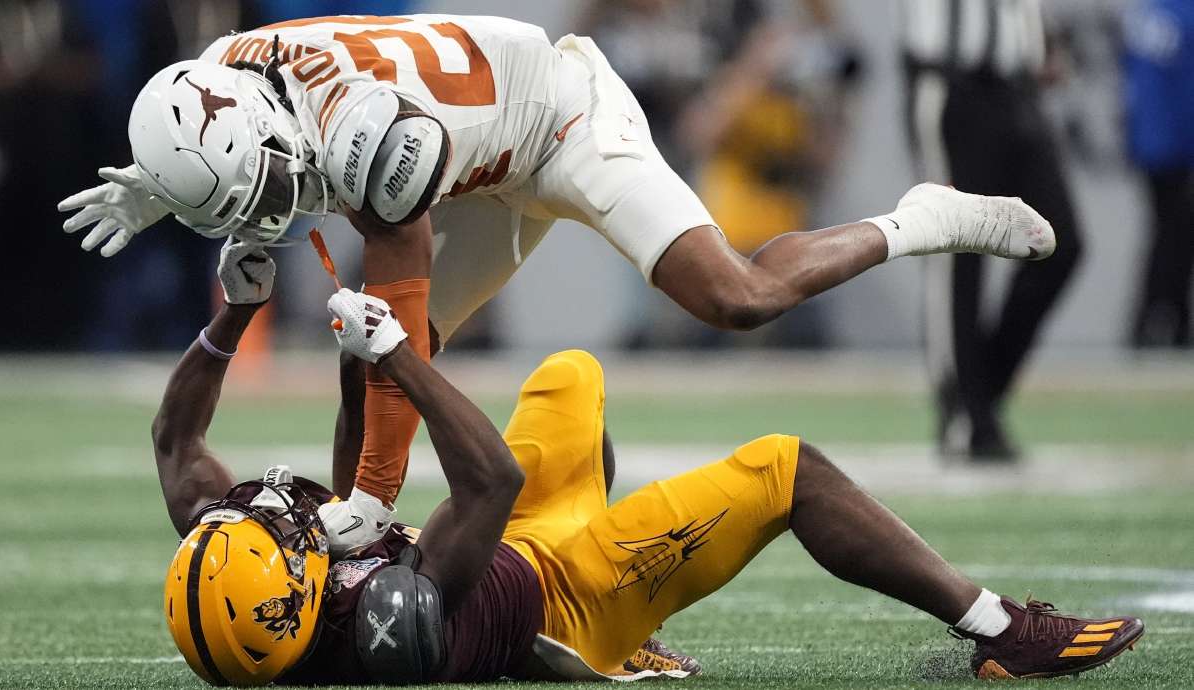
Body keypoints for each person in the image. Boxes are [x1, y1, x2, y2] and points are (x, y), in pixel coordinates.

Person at [59, 12, 1058, 553]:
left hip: (557, 121)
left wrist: (372, 489)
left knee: (735, 298)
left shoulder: (359, 126)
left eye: (271, 180)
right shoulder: (225, 72)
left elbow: (399, 300)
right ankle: (354, 548)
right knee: (364, 360)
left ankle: (917, 218)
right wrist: (159, 184)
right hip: (471, 154)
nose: (273, 206)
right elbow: (211, 140)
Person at [154, 241, 1142, 686]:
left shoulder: (257, 589)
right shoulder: (385, 625)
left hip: (515, 544)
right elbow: (486, 481)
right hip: (572, 596)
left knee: (571, 375)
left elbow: (177, 451)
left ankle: (635, 575)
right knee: (782, 469)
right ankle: (1001, 627)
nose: (278, 515)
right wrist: (396, 353)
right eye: (280, 540)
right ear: (297, 601)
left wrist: (233, 312)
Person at [899, 0, 1084, 460]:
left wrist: (1038, 35)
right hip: (951, 82)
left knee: (1060, 244)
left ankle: (980, 394)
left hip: (1017, 89)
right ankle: (963, 408)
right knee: (955, 249)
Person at [1122, 0, 1194, 349]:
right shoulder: (1181, 12)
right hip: (1174, 145)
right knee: (1173, 236)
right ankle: (1162, 321)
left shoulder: (1149, 12)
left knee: (1168, 234)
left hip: (1152, 142)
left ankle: (1163, 319)